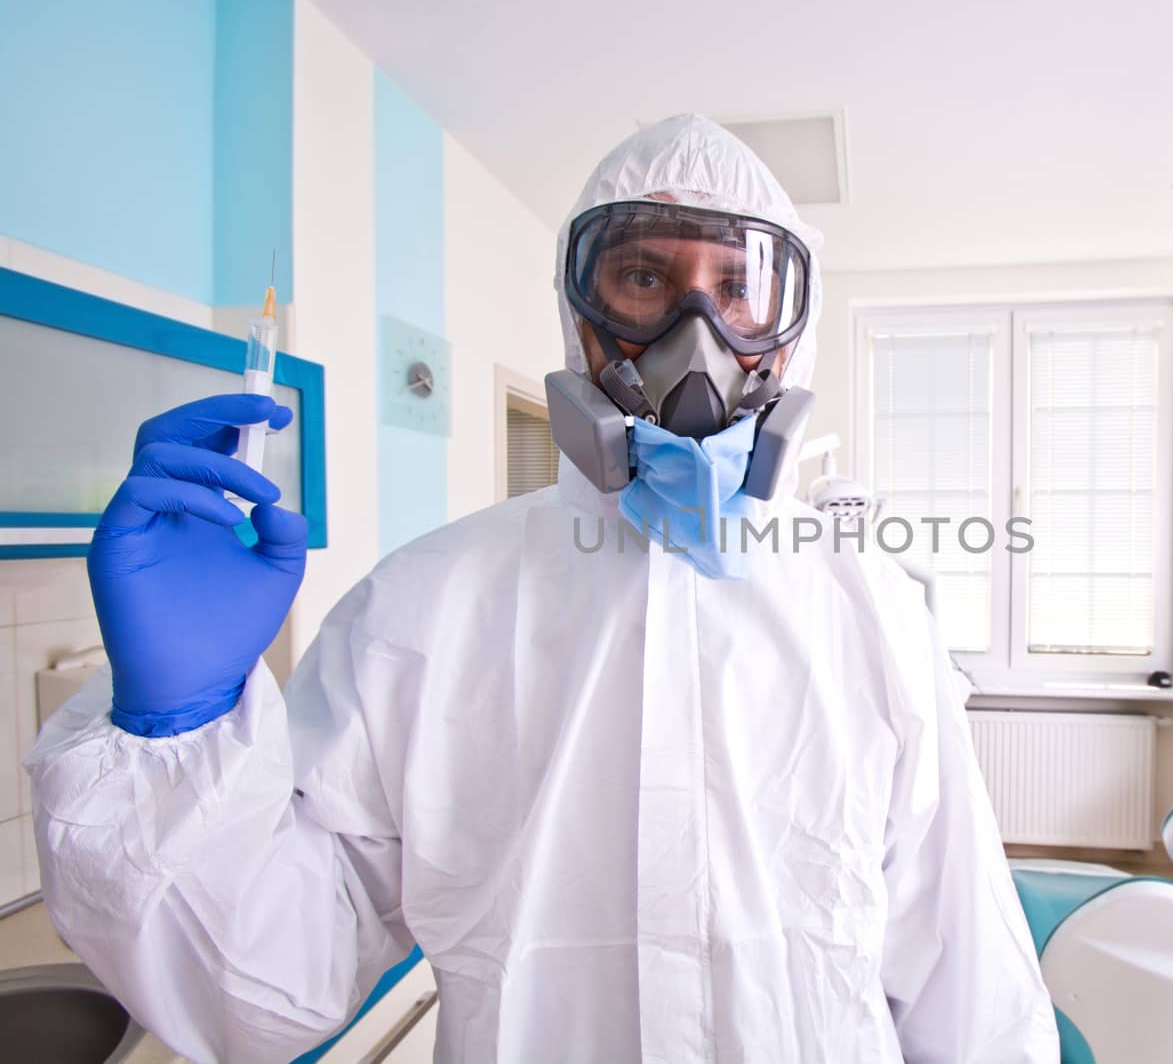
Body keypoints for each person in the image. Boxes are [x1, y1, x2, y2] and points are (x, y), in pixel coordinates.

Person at [25, 115, 1057, 1063]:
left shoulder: (867, 608)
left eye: (737, 289)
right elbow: (261, 989)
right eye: (644, 279)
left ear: (788, 333)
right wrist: (173, 729)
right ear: (582, 314)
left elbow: (967, 984)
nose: (694, 330)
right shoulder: (424, 611)